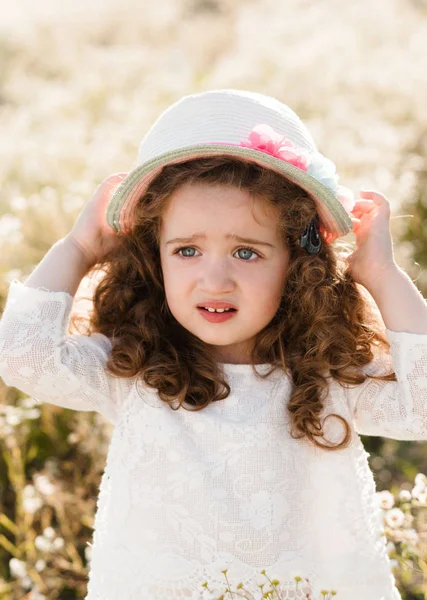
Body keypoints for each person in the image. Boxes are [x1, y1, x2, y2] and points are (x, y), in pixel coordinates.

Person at [0, 89, 426, 600]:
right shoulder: (135, 369)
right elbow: (21, 357)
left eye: (247, 251)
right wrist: (79, 248)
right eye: (186, 250)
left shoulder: (326, 374)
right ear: (153, 259)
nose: (215, 279)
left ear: (297, 263)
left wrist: (381, 274)